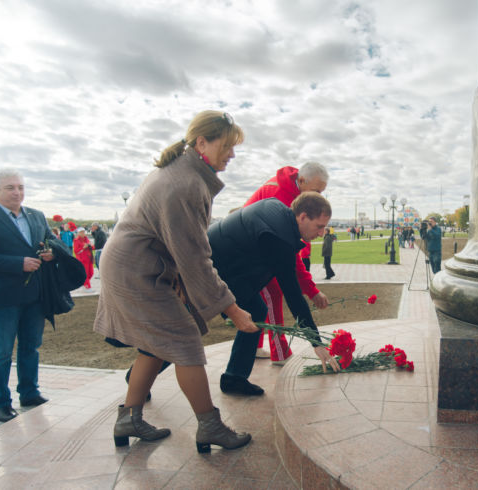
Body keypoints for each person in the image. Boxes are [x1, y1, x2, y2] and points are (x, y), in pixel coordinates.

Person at [93, 110, 258, 453]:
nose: (232, 154)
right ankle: (210, 426)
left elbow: (181, 248)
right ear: (202, 142)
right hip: (135, 271)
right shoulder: (185, 183)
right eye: (227, 146)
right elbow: (196, 258)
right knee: (185, 342)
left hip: (133, 266)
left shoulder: (183, 174)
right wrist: (233, 309)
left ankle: (129, 419)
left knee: (156, 345)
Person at [208, 192, 340, 396]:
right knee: (185, 328)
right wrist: (317, 343)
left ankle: (234, 378)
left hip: (226, 267)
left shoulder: (280, 213)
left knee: (256, 311)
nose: (322, 233)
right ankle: (142, 380)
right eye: (319, 226)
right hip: (209, 268)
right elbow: (293, 296)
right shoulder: (278, 237)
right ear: (303, 217)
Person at [0, 168, 57, 422]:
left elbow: (50, 242)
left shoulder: (36, 216)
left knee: (31, 347)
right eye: (10, 188)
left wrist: (50, 253)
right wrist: (17, 263)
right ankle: (0, 402)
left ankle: (29, 393)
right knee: (1, 351)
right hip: (3, 296)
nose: (17, 192)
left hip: (34, 295)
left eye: (20, 187)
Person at [243, 162, 330, 365]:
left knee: (260, 304)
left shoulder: (296, 196)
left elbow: (292, 251)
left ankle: (255, 347)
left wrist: (310, 289)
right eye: (317, 191)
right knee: (273, 293)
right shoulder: (280, 197)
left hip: (259, 250)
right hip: (250, 253)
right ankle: (279, 352)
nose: (319, 197)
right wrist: (311, 290)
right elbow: (289, 255)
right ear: (301, 181)